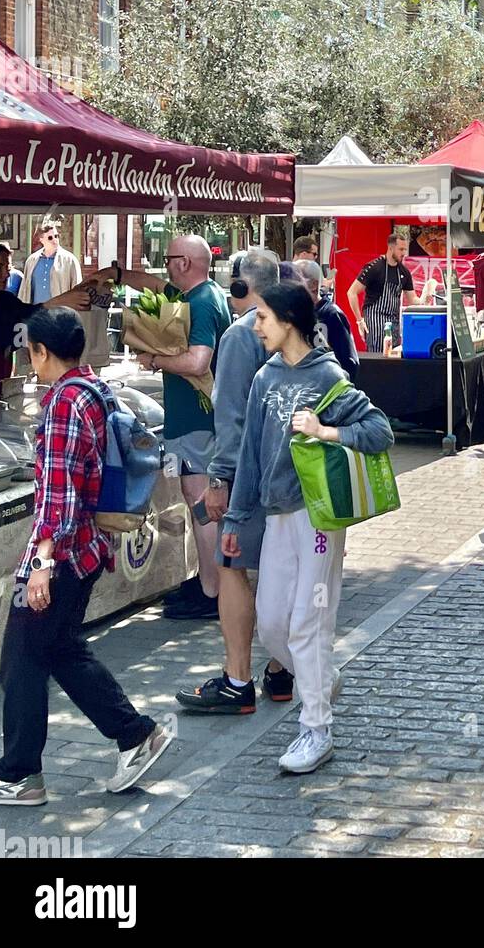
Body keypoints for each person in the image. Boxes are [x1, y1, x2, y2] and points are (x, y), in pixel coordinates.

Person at [0, 309, 172, 806]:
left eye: (32, 352)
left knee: (21, 658)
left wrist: (42, 560)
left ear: (41, 351)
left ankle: (20, 774)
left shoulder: (65, 400)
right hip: (87, 546)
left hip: (62, 551)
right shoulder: (93, 387)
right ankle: (134, 734)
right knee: (60, 649)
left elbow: (60, 491)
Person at [221, 282, 394, 774]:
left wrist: (326, 431)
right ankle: (320, 675)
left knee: (308, 622)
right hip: (275, 517)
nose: (255, 327)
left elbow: (379, 430)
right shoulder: (264, 377)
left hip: (318, 515)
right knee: (273, 625)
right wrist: (236, 516)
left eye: (263, 318)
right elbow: (251, 453)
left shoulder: (328, 375)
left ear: (289, 321)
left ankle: (315, 728)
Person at [175, 249, 291, 715]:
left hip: (250, 477)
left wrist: (219, 478)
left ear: (241, 286)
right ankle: (280, 670)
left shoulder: (243, 335)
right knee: (279, 572)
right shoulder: (294, 326)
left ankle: (237, 678)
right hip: (284, 474)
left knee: (234, 571)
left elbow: (232, 414)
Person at [102, 235, 231, 620]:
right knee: (199, 504)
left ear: (186, 263)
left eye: (170, 257)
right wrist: (119, 276)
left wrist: (153, 359)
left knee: (201, 504)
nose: (166, 264)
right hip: (193, 420)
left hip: (197, 422)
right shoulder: (195, 294)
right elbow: (155, 286)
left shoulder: (204, 303)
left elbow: (196, 362)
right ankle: (208, 581)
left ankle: (212, 593)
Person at [0, 240, 92, 403]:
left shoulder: (5, 299)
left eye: (7, 268)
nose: (6, 274)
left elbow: (27, 314)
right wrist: (58, 301)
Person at [19, 219, 110, 370]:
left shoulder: (69, 260)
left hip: (59, 318)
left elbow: (79, 289)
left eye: (56, 236)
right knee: (37, 358)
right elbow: (25, 290)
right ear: (41, 239)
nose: (54, 240)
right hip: (37, 316)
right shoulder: (32, 260)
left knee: (58, 359)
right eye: (50, 237)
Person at [347, 232, 419, 351]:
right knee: (378, 354)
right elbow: (351, 292)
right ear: (390, 248)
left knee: (395, 356)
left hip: (394, 321)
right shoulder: (373, 267)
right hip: (375, 319)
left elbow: (413, 299)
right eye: (401, 249)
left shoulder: (404, 272)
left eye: (405, 249)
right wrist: (359, 320)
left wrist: (425, 298)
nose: (404, 253)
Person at [302, 261, 359, 382]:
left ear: (313, 285)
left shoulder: (332, 315)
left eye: (295, 280)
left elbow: (349, 361)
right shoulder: (296, 314)